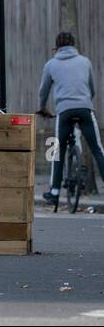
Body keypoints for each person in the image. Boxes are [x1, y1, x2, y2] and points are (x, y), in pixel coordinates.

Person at [37, 31, 104, 206]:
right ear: (73, 45)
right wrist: (85, 101)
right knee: (97, 149)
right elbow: (92, 89)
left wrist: (43, 108)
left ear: (57, 47)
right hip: (85, 109)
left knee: (58, 151)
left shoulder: (51, 65)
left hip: (64, 111)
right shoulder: (85, 62)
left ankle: (54, 192)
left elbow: (43, 91)